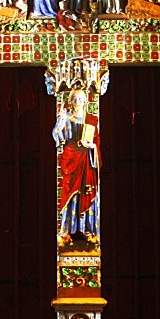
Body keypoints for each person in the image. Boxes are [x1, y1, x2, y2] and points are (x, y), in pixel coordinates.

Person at [53, 90, 99, 245]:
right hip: (71, 158)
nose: (78, 102)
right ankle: (66, 230)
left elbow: (97, 141)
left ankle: (88, 230)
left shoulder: (91, 119)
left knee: (87, 192)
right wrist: (61, 120)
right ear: (70, 101)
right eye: (75, 99)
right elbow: (57, 137)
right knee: (69, 192)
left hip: (86, 159)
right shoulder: (66, 118)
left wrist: (92, 146)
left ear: (85, 101)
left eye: (81, 99)